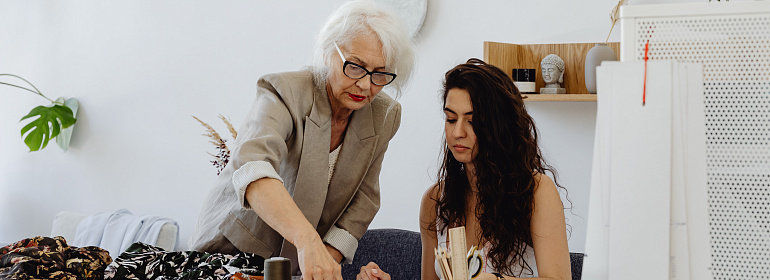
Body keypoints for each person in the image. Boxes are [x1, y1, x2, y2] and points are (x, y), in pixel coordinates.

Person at [189, 1, 415, 279]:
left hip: (295, 265)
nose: (366, 85)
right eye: (355, 67)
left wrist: (326, 258)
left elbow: (365, 199)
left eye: (380, 74)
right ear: (329, 51)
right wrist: (308, 241)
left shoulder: (385, 115)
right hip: (231, 251)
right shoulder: (284, 91)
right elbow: (252, 169)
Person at [357, 59, 571, 280]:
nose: (458, 132)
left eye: (472, 120)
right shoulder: (434, 201)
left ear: (499, 126)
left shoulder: (536, 191)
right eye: (451, 119)